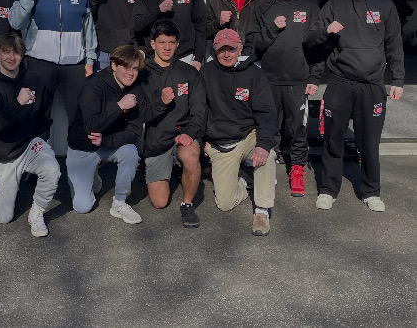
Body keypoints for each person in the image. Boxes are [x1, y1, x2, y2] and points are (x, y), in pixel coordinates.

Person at [307, 0, 404, 212]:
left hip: (372, 85)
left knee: (369, 142)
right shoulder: (334, 4)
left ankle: (371, 191)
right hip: (340, 82)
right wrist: (326, 31)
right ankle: (328, 189)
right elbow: (311, 38)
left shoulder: (384, 4)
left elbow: (394, 43)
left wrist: (398, 79)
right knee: (333, 140)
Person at [66, 45, 170, 223]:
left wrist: (106, 140)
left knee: (130, 152)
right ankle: (93, 178)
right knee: (83, 207)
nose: (131, 73)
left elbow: (135, 131)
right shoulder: (93, 87)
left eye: (135, 68)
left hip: (108, 144)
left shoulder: (136, 90)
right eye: (126, 67)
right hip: (83, 147)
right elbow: (91, 126)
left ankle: (119, 202)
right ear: (113, 65)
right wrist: (120, 106)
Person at [245, 0, 323, 197]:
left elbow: (316, 45)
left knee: (298, 128)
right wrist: (271, 30)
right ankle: (268, 168)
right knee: (269, 127)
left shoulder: (309, 7)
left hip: (298, 80)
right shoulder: (264, 8)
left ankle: (297, 169)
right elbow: (252, 46)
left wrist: (315, 76)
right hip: (268, 79)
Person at [0, 33, 60, 237]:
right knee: (2, 217)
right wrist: (18, 104)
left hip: (30, 144)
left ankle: (37, 212)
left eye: (16, 52)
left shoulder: (35, 80)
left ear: (23, 55)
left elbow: (44, 114)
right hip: (3, 152)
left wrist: (41, 138)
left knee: (52, 170)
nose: (12, 57)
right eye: (6, 52)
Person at [8, 0, 97, 127]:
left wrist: (89, 59)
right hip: (39, 62)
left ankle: (78, 154)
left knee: (79, 114)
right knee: (37, 113)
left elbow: (88, 27)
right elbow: (15, 22)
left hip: (74, 64)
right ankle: (38, 154)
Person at [201, 29, 277, 236]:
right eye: (221, 49)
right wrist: (202, 142)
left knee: (267, 154)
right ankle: (244, 179)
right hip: (219, 142)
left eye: (231, 49)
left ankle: (262, 210)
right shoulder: (205, 73)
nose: (226, 54)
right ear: (214, 50)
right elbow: (198, 111)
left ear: (240, 49)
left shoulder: (255, 74)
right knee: (224, 203)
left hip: (247, 136)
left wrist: (262, 144)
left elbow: (267, 114)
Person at [135, 20, 206, 228]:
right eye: (162, 42)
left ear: (177, 44)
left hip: (183, 133)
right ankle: (171, 169)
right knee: (159, 202)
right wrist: (160, 102)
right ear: (152, 44)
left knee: (191, 156)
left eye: (171, 42)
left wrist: (190, 132)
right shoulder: (142, 74)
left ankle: (187, 203)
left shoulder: (189, 72)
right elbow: (141, 114)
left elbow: (200, 109)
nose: (167, 47)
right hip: (158, 138)